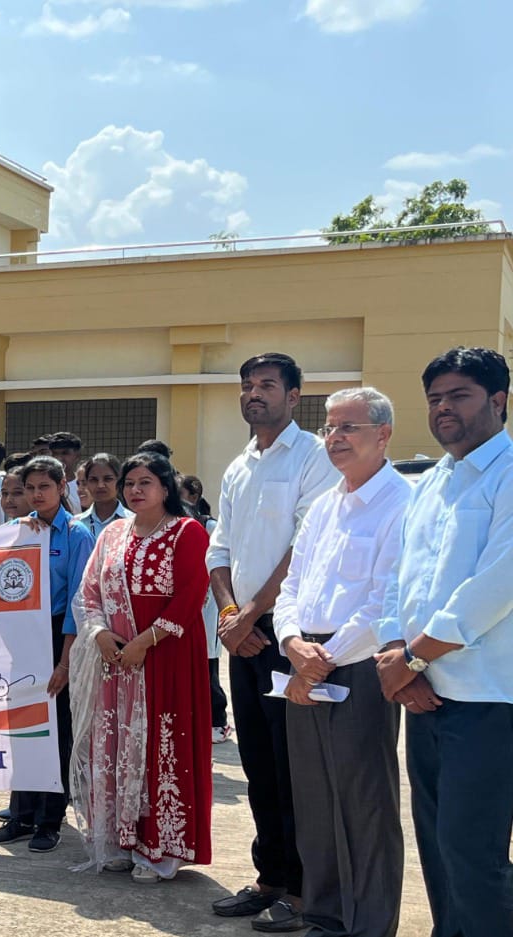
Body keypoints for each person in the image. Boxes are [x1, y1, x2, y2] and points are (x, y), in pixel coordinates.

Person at [375, 347, 513, 937]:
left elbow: (495, 586)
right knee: (435, 846)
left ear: (499, 401)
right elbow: (397, 579)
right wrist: (395, 655)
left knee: (472, 852)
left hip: (486, 698)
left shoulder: (508, 475)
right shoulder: (429, 483)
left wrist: (411, 658)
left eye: (459, 395)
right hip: (425, 694)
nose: (443, 408)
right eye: (435, 398)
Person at [206, 352, 341, 932]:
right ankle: (270, 878)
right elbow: (219, 550)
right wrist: (231, 616)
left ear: (294, 396)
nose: (254, 394)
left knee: (296, 769)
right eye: (246, 385)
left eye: (266, 385)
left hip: (290, 635)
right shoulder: (239, 466)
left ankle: (307, 890)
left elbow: (304, 547)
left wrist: (253, 615)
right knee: (259, 763)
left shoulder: (314, 456)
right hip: (244, 637)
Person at [272, 388, 409, 937]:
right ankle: (325, 917)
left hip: (359, 665)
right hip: (305, 660)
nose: (334, 438)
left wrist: (320, 661)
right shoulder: (325, 505)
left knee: (365, 804)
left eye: (349, 427)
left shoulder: (401, 502)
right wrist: (291, 642)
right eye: (329, 427)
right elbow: (292, 585)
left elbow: (386, 601)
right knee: (315, 800)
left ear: (383, 434)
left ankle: (370, 925)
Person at [68, 451, 212, 882]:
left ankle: (159, 849)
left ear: (165, 487)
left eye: (145, 482)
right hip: (115, 662)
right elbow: (88, 592)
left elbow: (191, 596)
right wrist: (99, 634)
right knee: (115, 745)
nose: (135, 490)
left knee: (161, 747)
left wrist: (144, 643)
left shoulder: (187, 532)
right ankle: (119, 840)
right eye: (129, 483)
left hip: (166, 658)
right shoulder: (112, 533)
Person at [0, 456, 93, 854]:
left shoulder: (78, 534)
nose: (36, 495)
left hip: (60, 636)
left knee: (56, 732)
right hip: (23, 638)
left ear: (62, 487)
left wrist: (64, 663)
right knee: (24, 729)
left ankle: (50, 819)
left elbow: (79, 603)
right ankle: (21, 814)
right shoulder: (20, 530)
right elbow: (1, 586)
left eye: (44, 487)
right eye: (29, 488)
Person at [182, 474, 230, 743]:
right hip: (185, 608)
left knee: (208, 665)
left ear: (194, 495)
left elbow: (219, 561)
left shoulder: (209, 525)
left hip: (208, 605)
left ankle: (217, 720)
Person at [74, 453, 130, 541]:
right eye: (93, 480)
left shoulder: (133, 521)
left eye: (108, 479)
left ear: (120, 482)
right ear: (87, 483)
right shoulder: (76, 523)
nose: (100, 485)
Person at [49, 432, 85, 513]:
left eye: (65, 453)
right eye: (54, 454)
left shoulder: (85, 484)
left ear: (77, 455)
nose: (59, 458)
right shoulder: (44, 484)